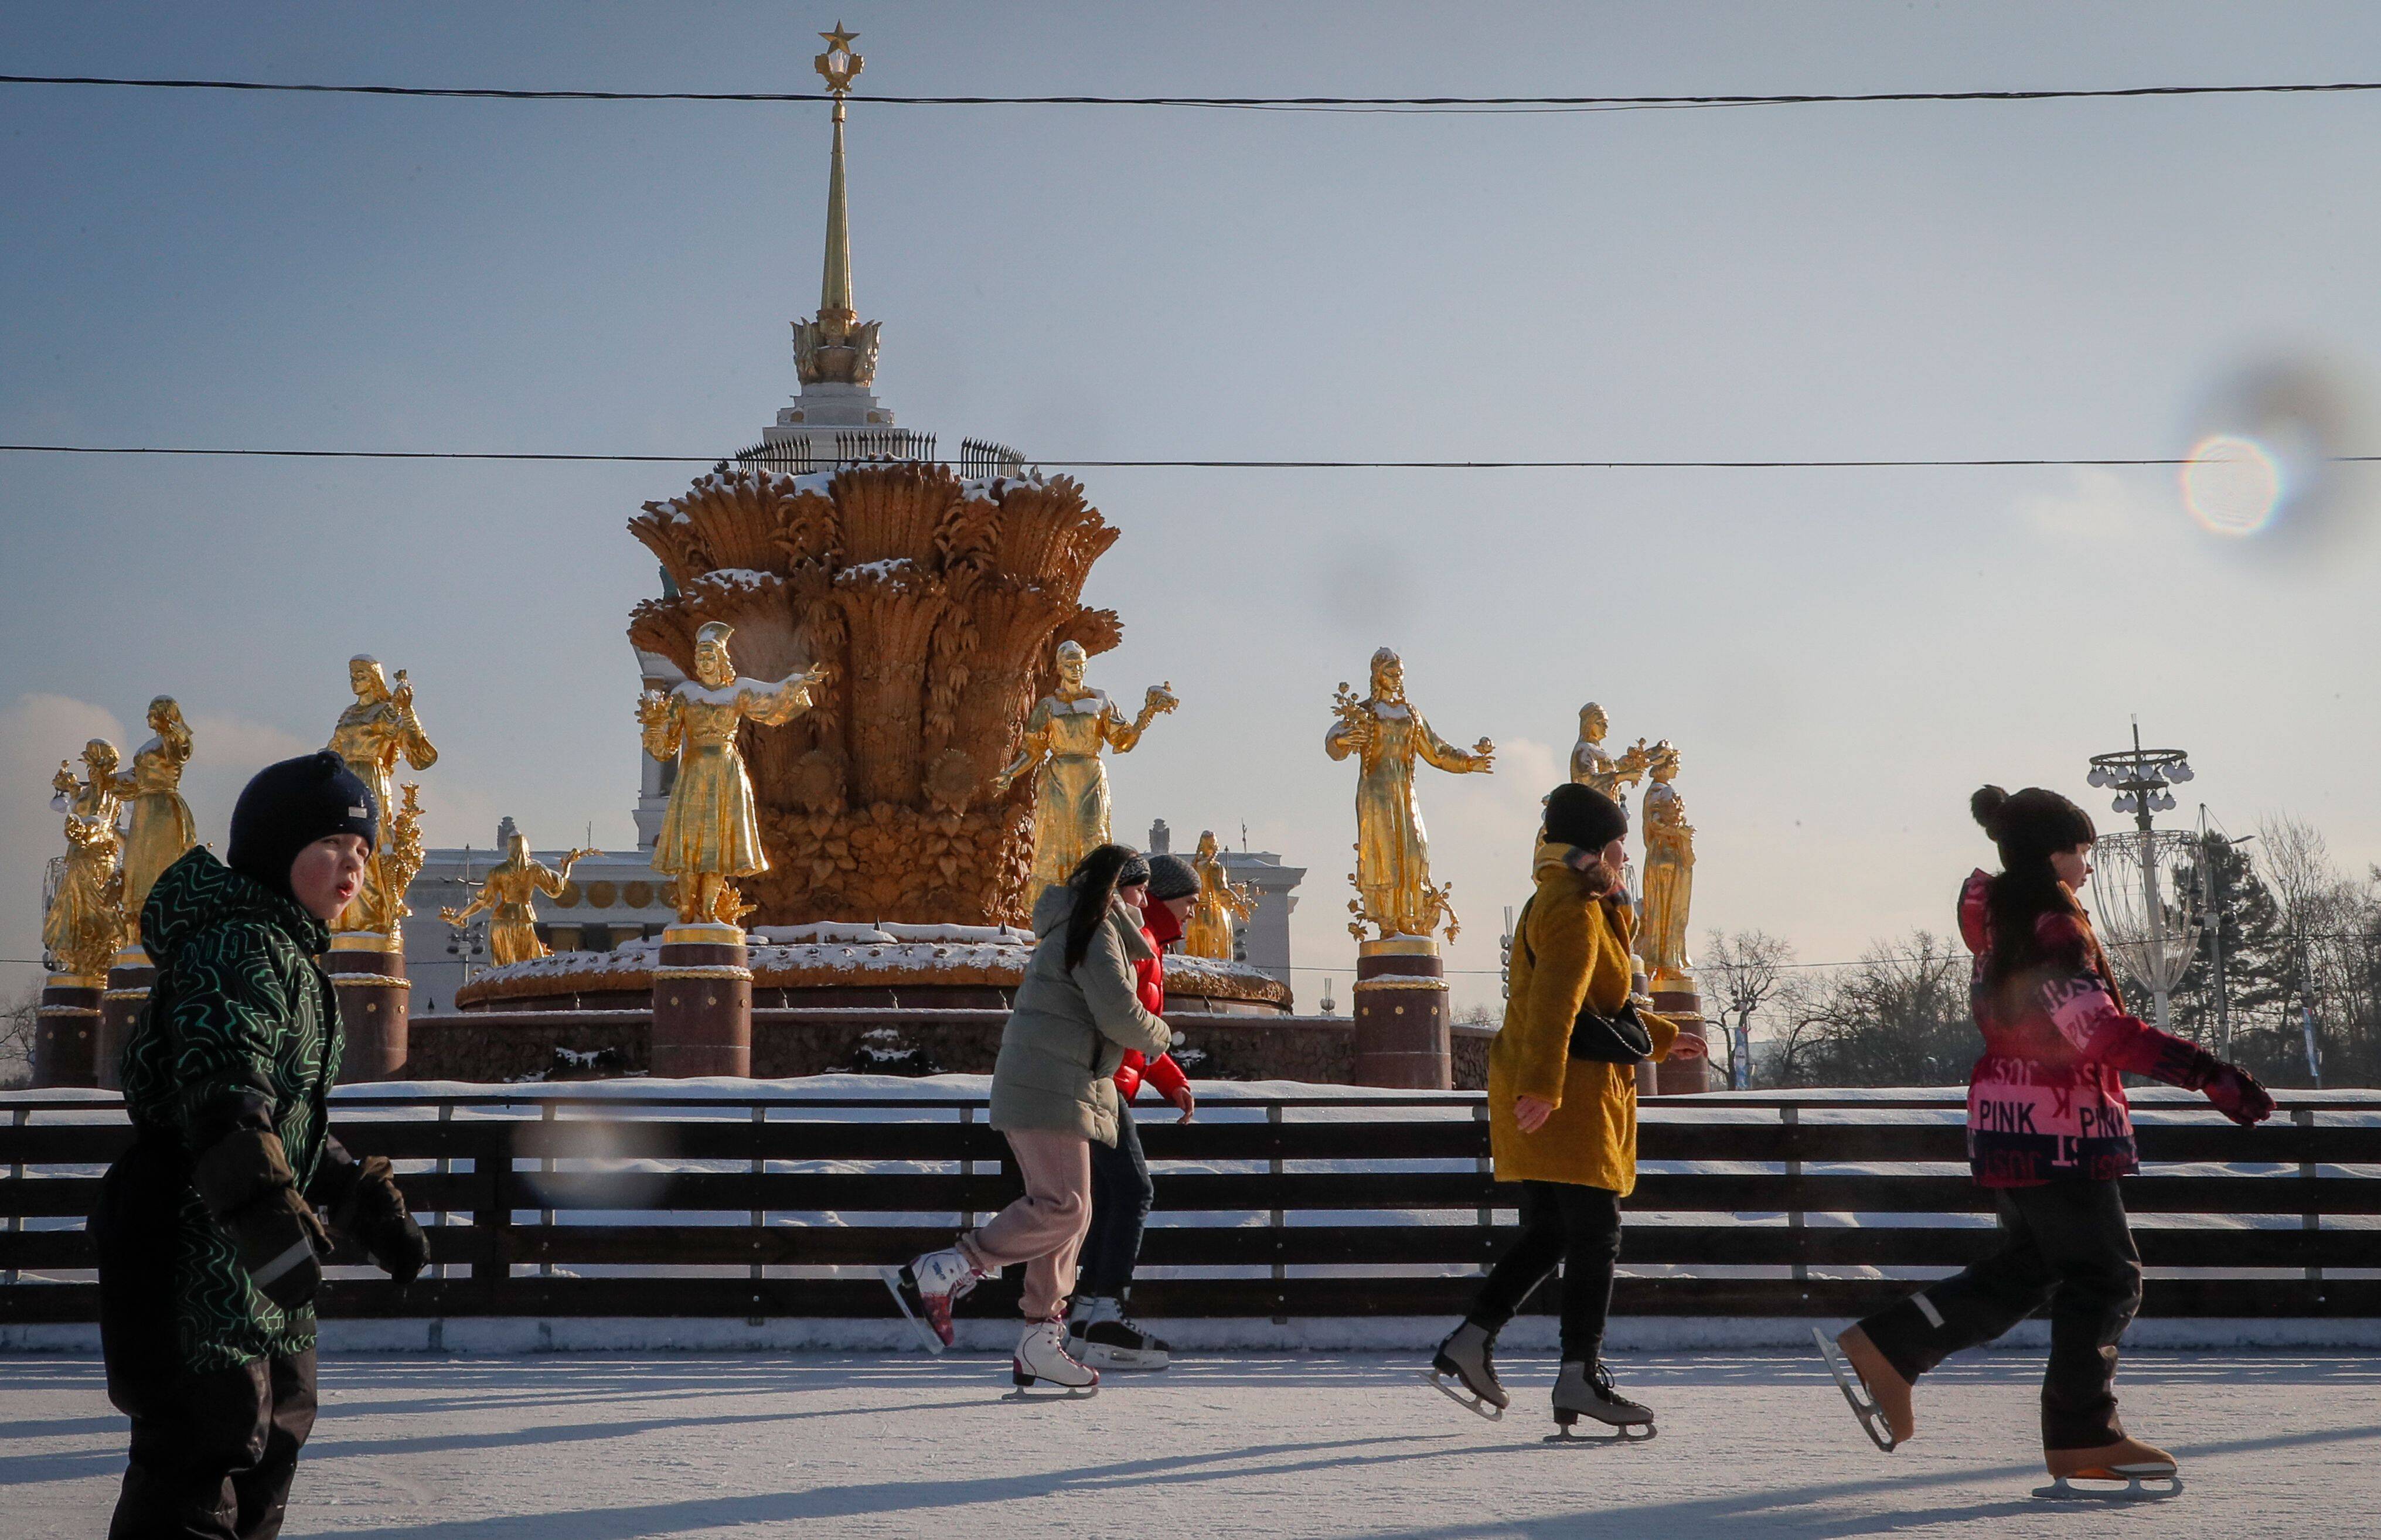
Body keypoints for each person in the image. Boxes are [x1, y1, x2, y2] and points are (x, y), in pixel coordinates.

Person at [1826, 786, 2274, 1493]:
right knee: (2108, 1278)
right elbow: (2096, 1031)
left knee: (2033, 1267)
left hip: (2007, 1122)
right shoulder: (2051, 927)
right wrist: (2206, 1072)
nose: (2088, 866)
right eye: (2083, 850)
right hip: (2058, 1127)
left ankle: (1891, 1347)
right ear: (2052, 853)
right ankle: (2081, 1431)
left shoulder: (2001, 924)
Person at [96, 751, 430, 1539]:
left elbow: (286, 1122)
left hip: (252, 1260)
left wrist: (359, 1199)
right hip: (191, 1251)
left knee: (270, 1440)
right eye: (329, 847)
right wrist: (271, 1225)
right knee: (202, 1454)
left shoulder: (289, 954)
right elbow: (224, 1097)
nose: (351, 865)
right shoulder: (239, 947)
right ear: (273, 852)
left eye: (362, 852)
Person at [1429, 784, 1677, 1437]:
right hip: (1567, 1096)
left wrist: (1667, 1036)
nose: (1626, 857)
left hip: (1545, 1086)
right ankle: (1578, 1375)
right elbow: (1558, 1005)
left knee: (1550, 1232)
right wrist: (1544, 1087)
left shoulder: (1562, 897)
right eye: (1622, 844)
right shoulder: (1575, 904)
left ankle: (1470, 1341)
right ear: (1599, 846)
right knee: (1597, 1233)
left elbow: (1590, 1001)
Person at [888, 844, 1173, 1392]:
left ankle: (1041, 1340)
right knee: (1063, 1207)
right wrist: (1162, 1037)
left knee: (1073, 1214)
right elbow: (1120, 1015)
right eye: (1139, 888)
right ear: (1118, 889)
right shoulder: (1095, 930)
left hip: (1066, 1082)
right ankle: (948, 1267)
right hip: (1050, 1082)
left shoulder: (1090, 926)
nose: (1145, 900)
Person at [1067, 850, 1200, 1370]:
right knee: (1132, 1191)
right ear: (1159, 898)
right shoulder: (1138, 942)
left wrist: (1172, 1081)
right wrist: (1164, 1070)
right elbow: (1127, 1021)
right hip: (1103, 1083)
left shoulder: (1149, 944)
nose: (1193, 914)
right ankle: (1103, 1315)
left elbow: (1139, 1031)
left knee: (1111, 1196)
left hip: (1107, 1081)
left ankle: (1085, 1316)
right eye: (1188, 902)